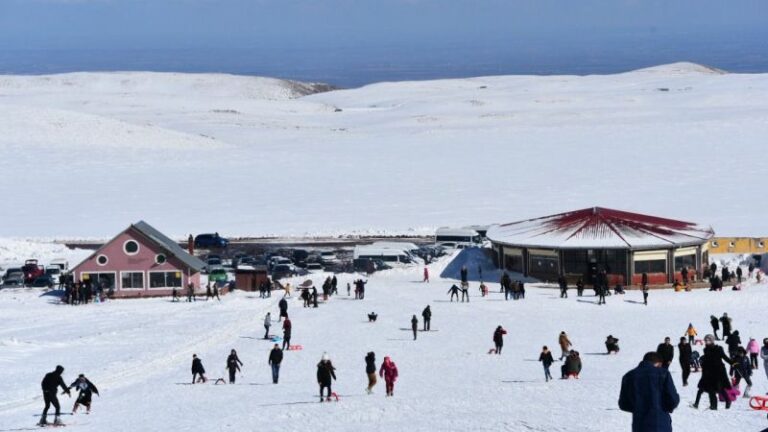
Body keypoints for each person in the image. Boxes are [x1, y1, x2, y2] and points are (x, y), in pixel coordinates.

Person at [618, 351, 680, 432]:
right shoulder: (663, 373)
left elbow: (623, 404)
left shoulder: (628, 376)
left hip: (639, 425)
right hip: (660, 423)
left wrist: (638, 408)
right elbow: (673, 399)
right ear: (659, 364)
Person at [693, 335, 733, 410]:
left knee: (719, 388)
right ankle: (713, 406)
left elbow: (725, 357)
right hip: (708, 372)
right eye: (706, 340)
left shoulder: (718, 349)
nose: (706, 342)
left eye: (708, 340)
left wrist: (733, 363)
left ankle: (728, 400)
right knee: (711, 390)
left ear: (712, 340)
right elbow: (707, 359)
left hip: (718, 372)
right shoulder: (705, 349)